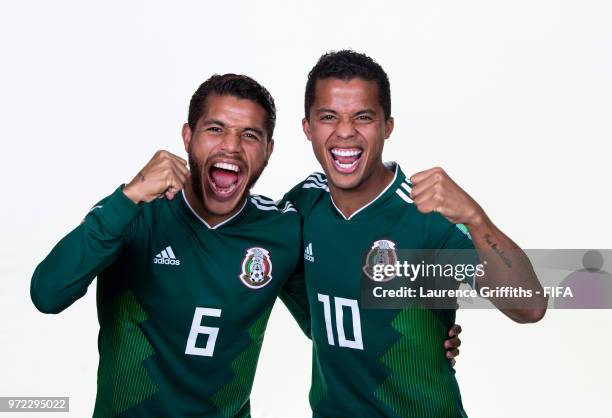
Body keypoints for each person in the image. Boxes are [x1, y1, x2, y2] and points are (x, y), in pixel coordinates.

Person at [31, 73, 463, 417]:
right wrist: (125, 198)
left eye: (250, 136)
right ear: (188, 136)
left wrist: (428, 329)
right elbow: (46, 294)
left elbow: (327, 319)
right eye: (216, 129)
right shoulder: (136, 212)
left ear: (269, 150)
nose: (232, 147)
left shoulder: (281, 227)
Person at [283, 50, 547, 417]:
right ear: (307, 127)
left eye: (363, 117)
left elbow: (529, 305)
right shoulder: (303, 204)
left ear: (387, 126)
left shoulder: (426, 213)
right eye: (329, 117)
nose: (345, 131)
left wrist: (475, 218)